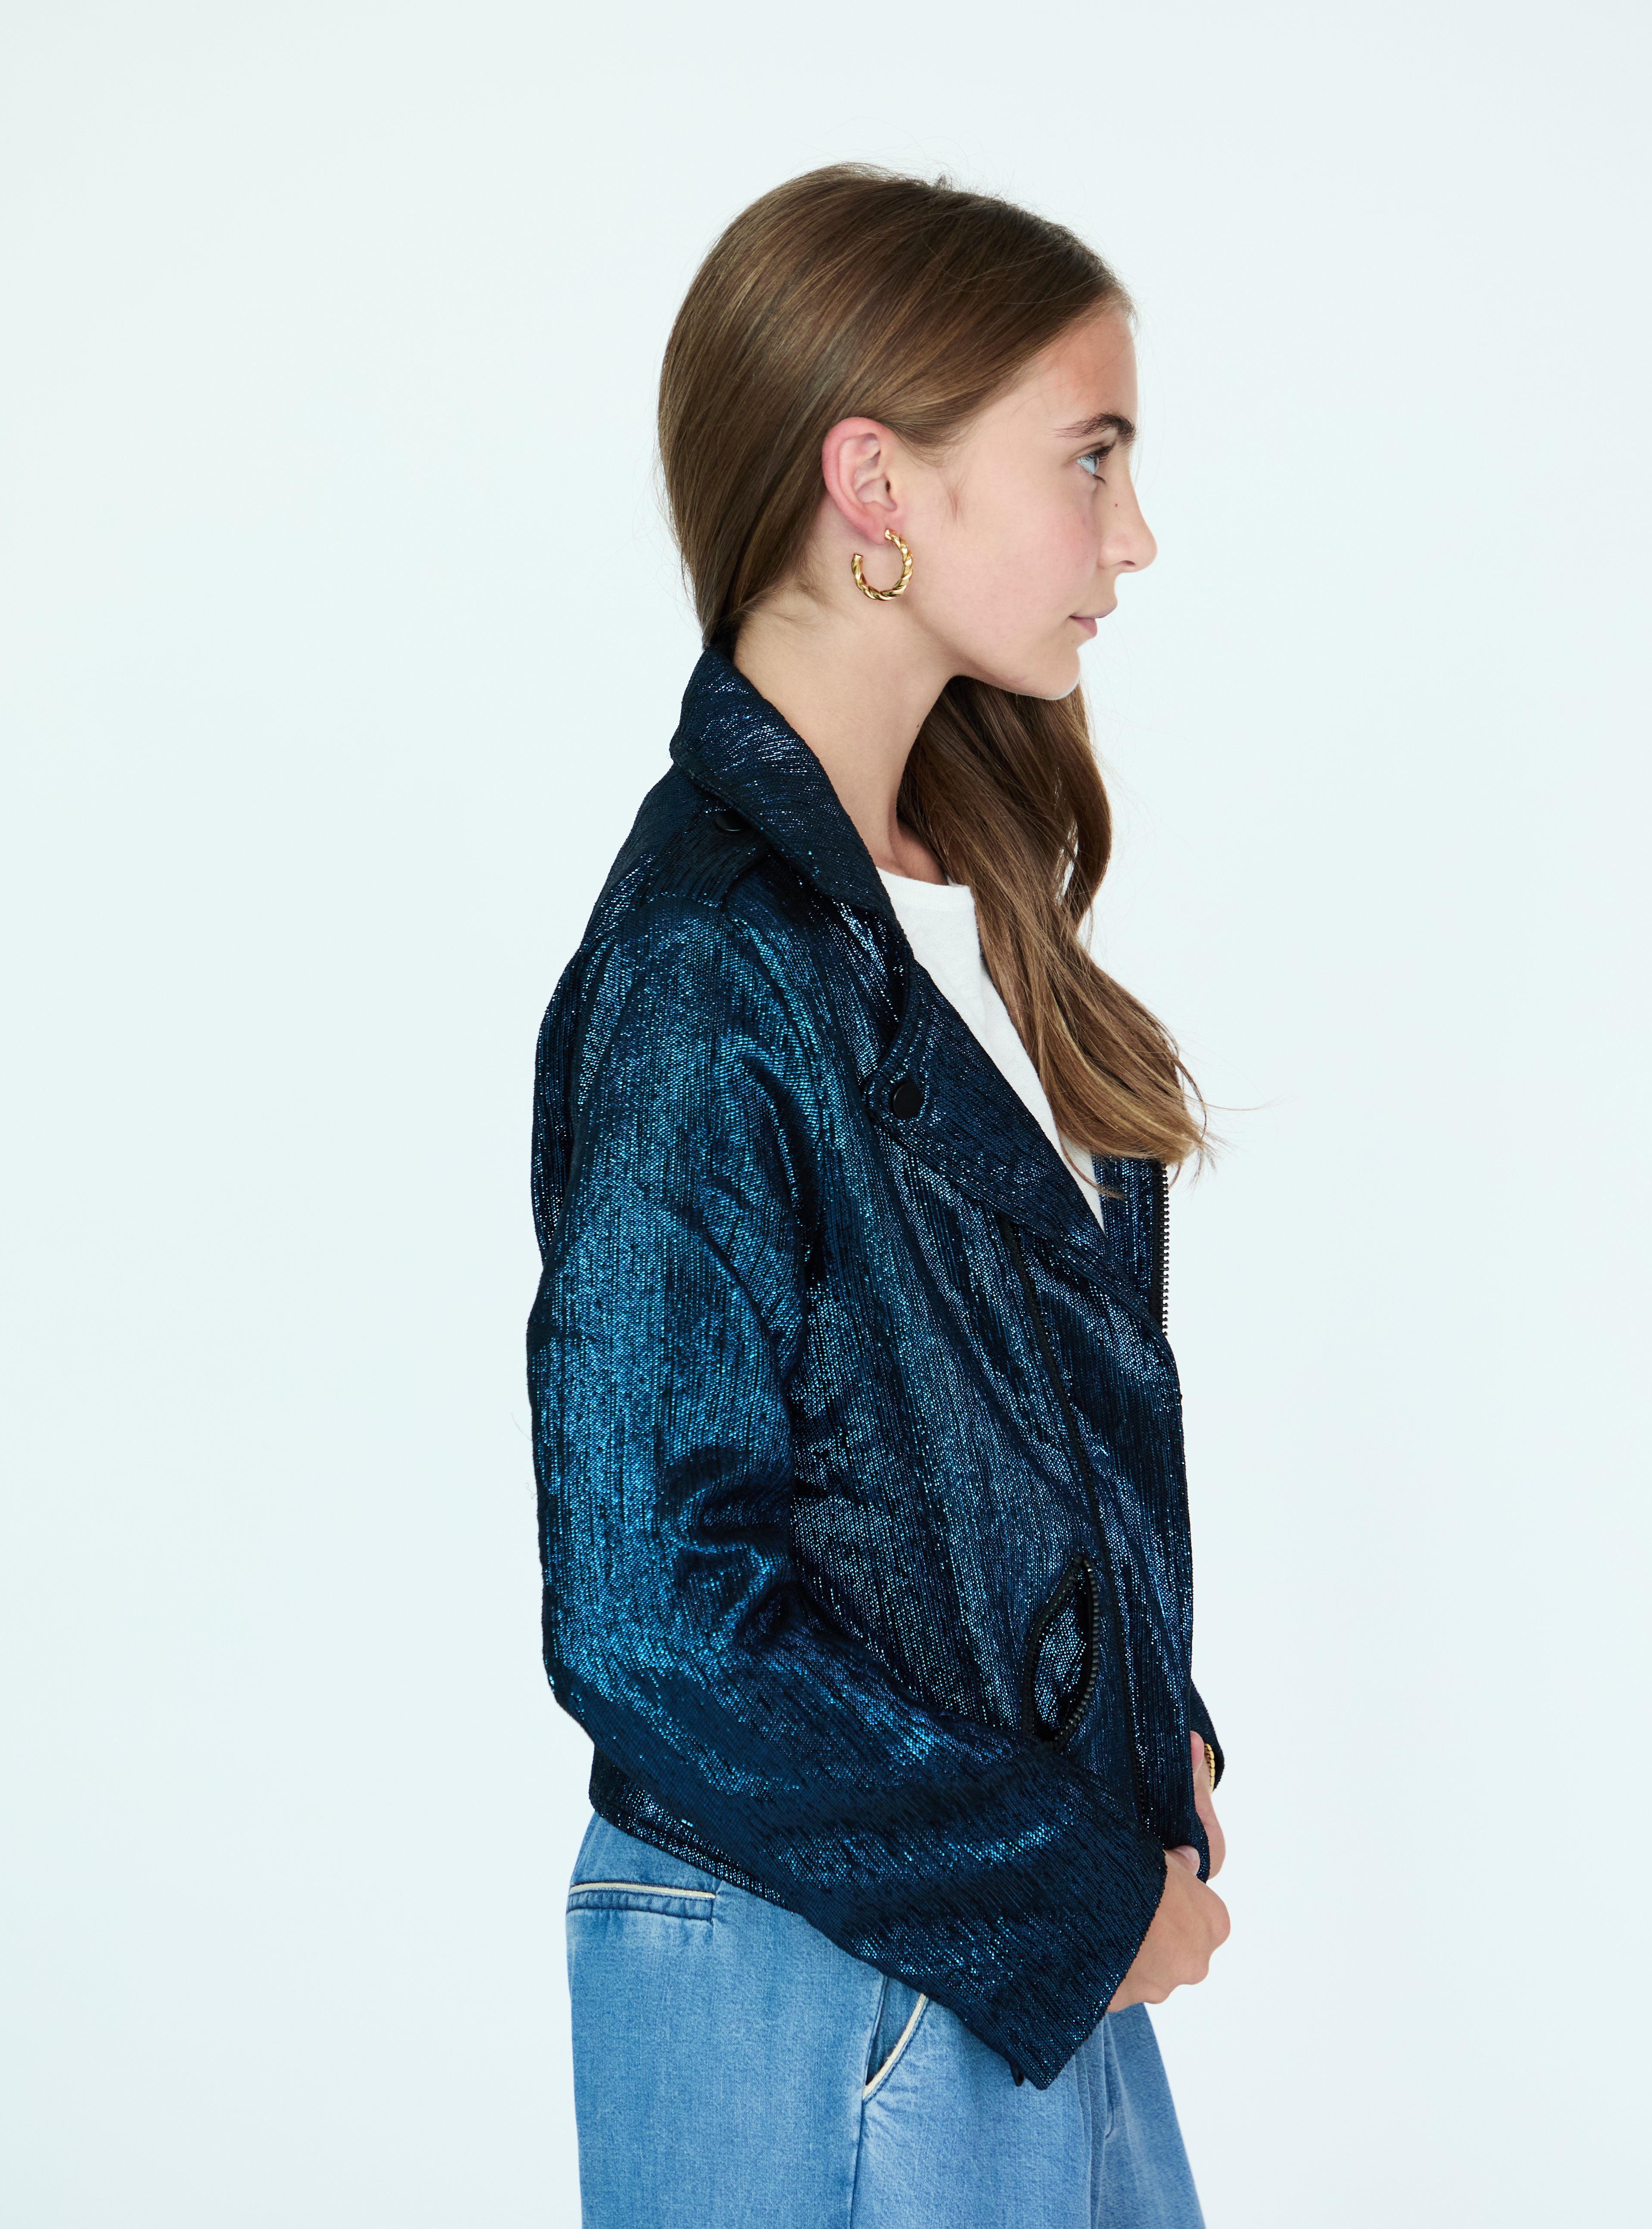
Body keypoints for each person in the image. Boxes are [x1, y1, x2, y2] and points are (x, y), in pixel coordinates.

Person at [527, 164, 1231, 2229]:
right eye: (1088, 456)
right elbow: (649, 1601)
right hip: (824, 1959)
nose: (1133, 532)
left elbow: (964, 1446)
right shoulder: (707, 959)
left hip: (990, 1954)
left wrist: (1142, 1733)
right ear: (876, 483)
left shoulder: (953, 901)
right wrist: (1067, 1889)